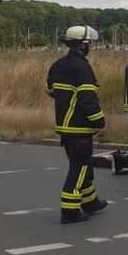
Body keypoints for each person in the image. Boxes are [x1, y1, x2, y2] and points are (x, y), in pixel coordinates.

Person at [47, 25, 108, 224]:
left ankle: (91, 202)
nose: (89, 46)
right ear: (82, 45)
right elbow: (87, 99)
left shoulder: (57, 65)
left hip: (65, 127)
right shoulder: (82, 67)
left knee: (85, 166)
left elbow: (50, 91)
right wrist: (100, 121)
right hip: (79, 126)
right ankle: (70, 211)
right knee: (80, 167)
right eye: (88, 43)